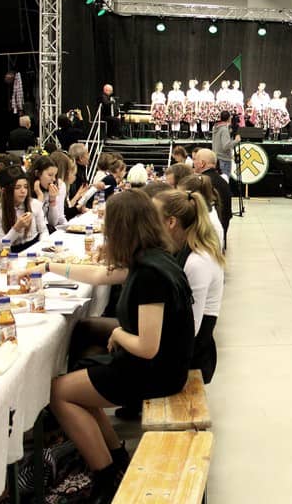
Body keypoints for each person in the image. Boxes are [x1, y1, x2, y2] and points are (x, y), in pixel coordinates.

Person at [45, 190, 194, 501]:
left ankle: (106, 475)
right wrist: (49, 267)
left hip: (157, 371)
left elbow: (147, 347)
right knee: (77, 384)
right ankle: (113, 456)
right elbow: (99, 274)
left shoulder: (150, 273)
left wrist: (118, 334)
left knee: (59, 393)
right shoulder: (151, 257)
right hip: (158, 364)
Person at [152, 188, 225, 383]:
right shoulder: (182, 248)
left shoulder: (197, 262)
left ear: (171, 222)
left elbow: (190, 329)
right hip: (180, 344)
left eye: (153, 217)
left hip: (190, 356)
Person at [0, 165, 49, 251]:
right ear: (5, 190)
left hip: (34, 248)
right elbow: (0, 246)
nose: (23, 191)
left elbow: (43, 231)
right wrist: (16, 228)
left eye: (25, 187)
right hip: (12, 252)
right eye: (17, 187)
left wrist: (41, 247)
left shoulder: (34, 204)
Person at [194, 149, 231, 246]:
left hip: (209, 234)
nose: (193, 163)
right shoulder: (223, 180)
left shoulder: (203, 182)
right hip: (222, 229)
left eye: (195, 160)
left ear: (202, 163)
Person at [30, 155, 65, 230]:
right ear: (37, 173)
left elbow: (53, 222)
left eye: (55, 175)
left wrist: (52, 200)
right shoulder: (26, 191)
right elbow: (33, 224)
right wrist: (40, 197)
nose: (53, 179)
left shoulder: (47, 190)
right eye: (50, 175)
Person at [212, 111, 239, 177]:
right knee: (225, 180)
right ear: (229, 118)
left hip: (217, 158)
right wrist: (236, 141)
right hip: (224, 160)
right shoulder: (224, 129)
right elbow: (226, 146)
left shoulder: (216, 127)